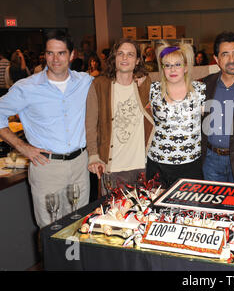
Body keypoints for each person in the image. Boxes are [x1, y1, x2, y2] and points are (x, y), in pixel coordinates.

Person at [0, 30, 93, 228]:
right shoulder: (26, 88)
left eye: (61, 53)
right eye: (50, 53)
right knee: (51, 230)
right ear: (45, 54)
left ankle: (75, 260)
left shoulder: (85, 82)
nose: (55, 59)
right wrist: (22, 147)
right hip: (46, 167)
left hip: (79, 165)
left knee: (79, 227)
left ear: (72, 54)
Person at [85, 38, 155, 194]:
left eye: (130, 54)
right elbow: (90, 125)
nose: (124, 58)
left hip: (141, 168)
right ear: (114, 58)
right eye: (120, 54)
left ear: (137, 61)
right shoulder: (99, 85)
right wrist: (93, 156)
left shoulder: (145, 84)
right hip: (112, 169)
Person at [146, 42, 205, 188]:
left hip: (190, 163)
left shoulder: (200, 90)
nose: (172, 69)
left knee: (190, 208)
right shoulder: (152, 90)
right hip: (158, 162)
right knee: (157, 208)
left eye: (177, 64)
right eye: (167, 65)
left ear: (185, 67)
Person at [201, 31, 234, 184]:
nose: (231, 59)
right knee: (212, 206)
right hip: (210, 161)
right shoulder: (205, 84)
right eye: (225, 54)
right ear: (216, 59)